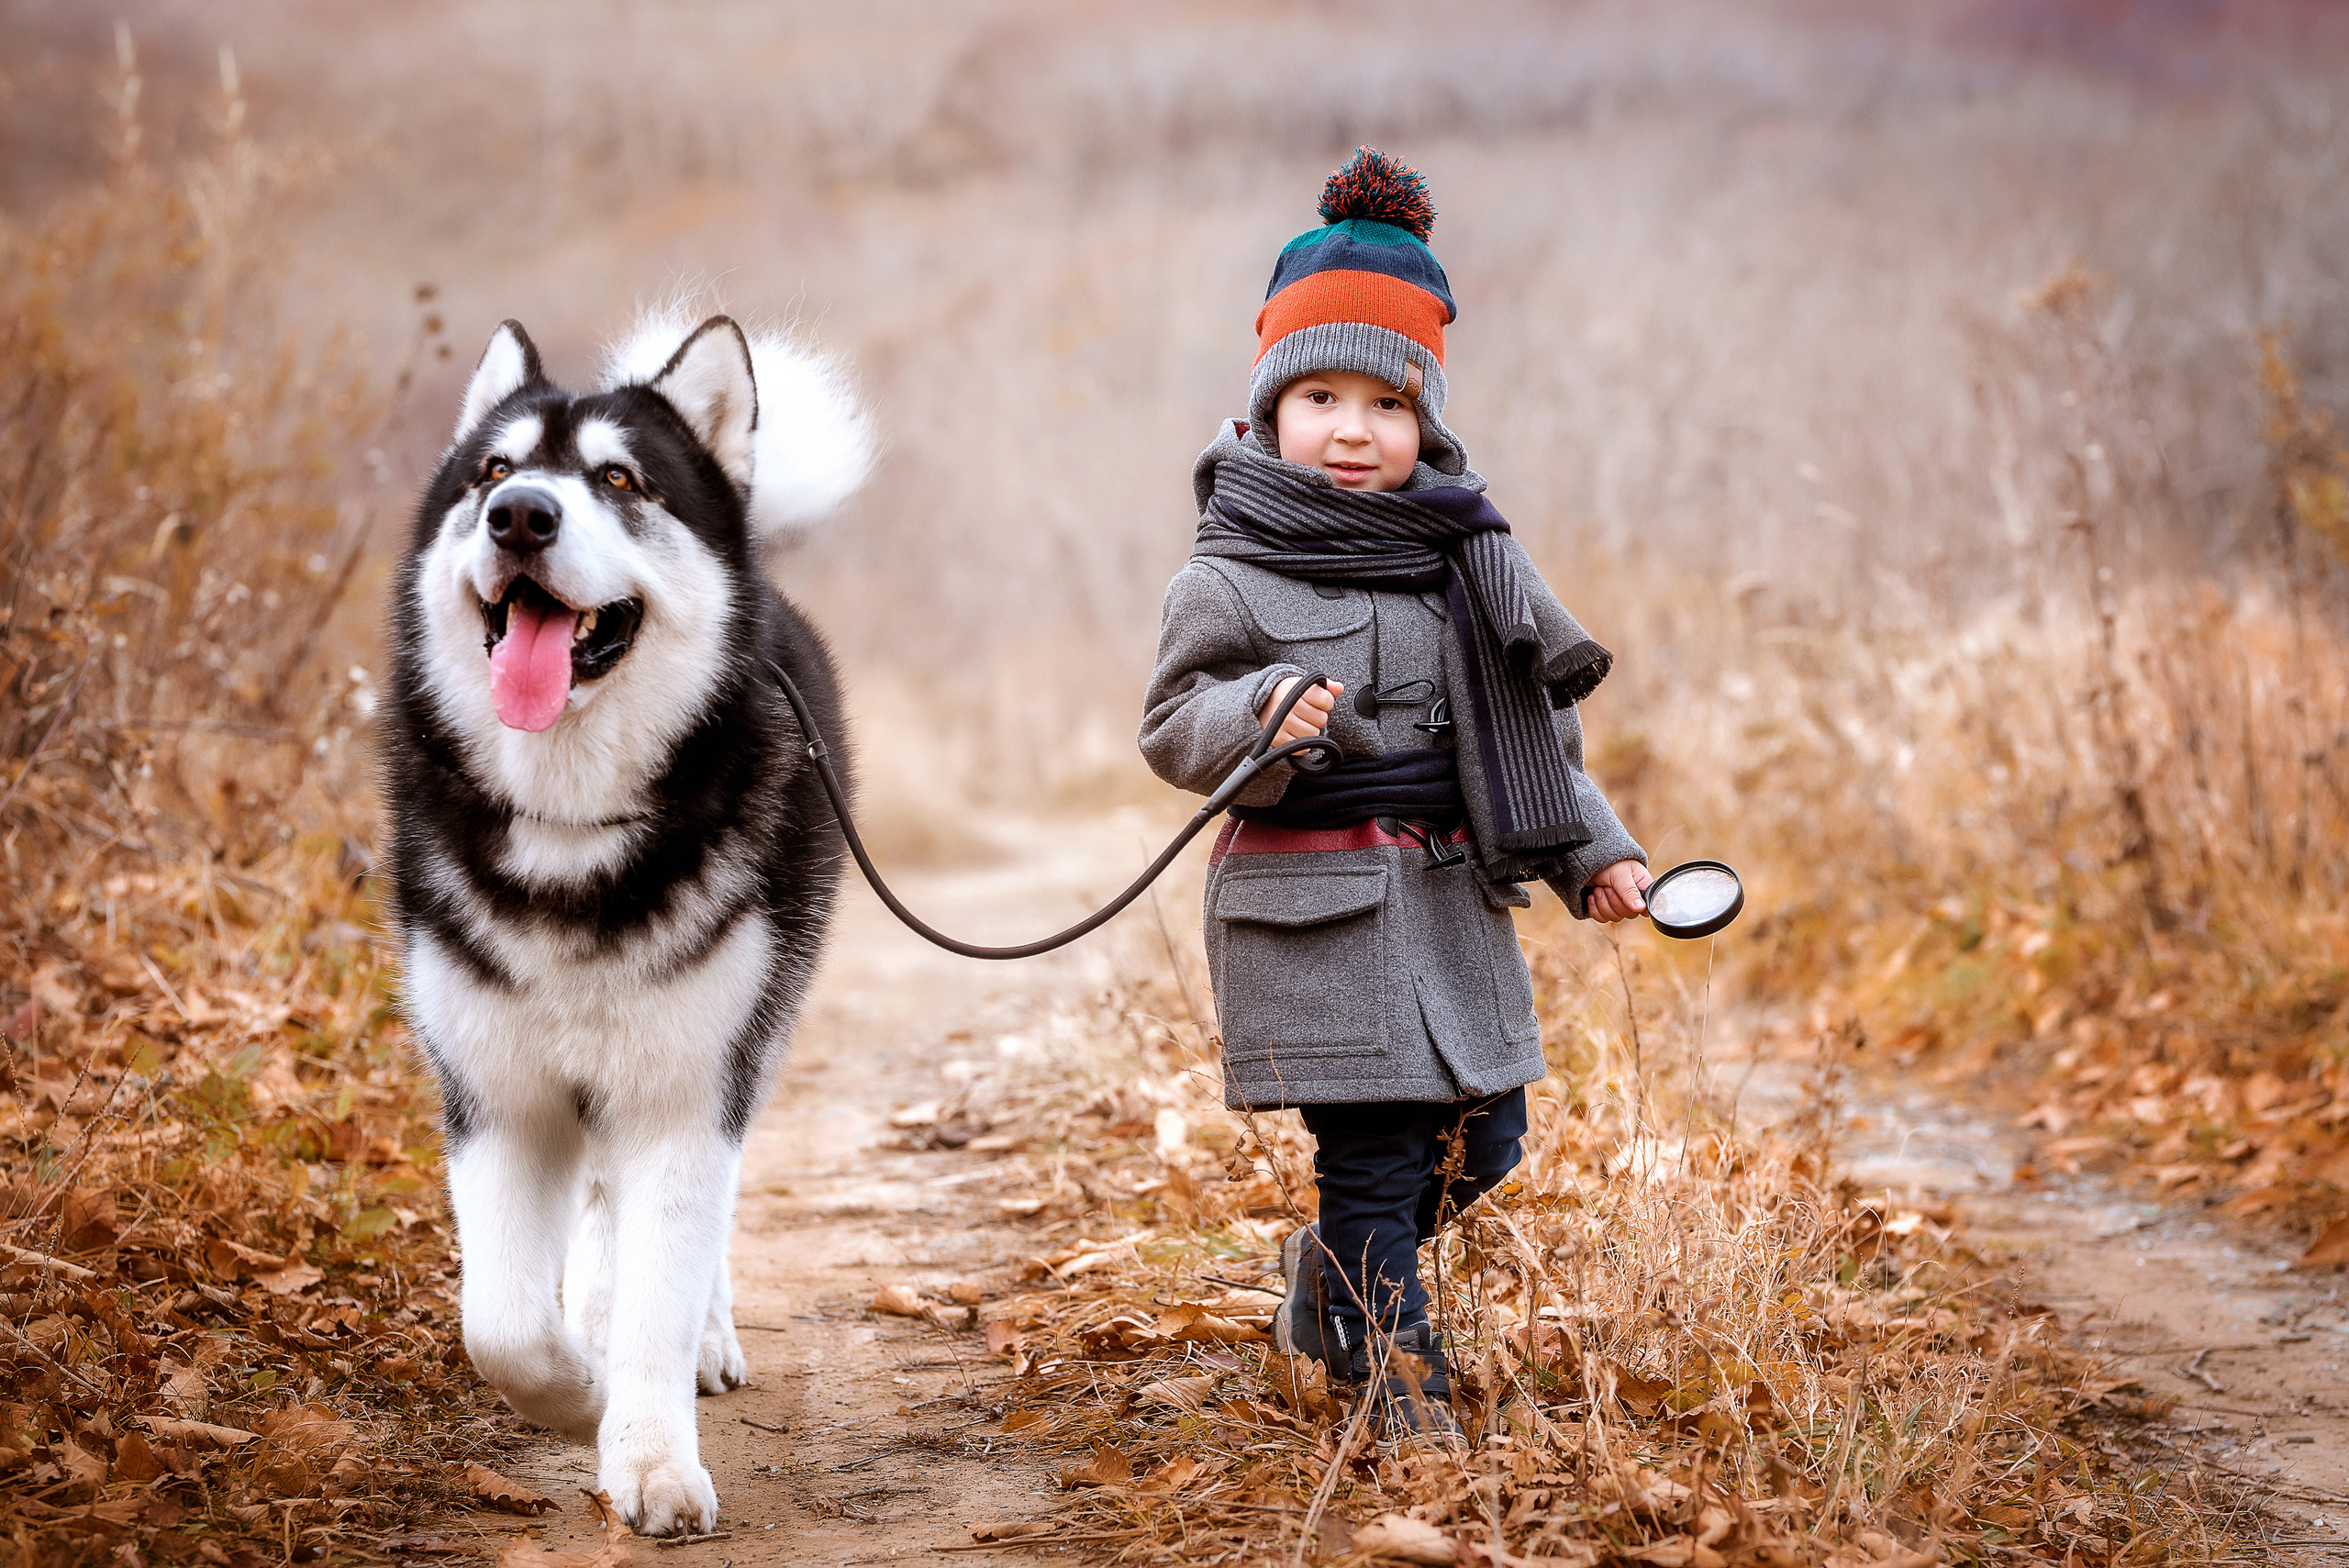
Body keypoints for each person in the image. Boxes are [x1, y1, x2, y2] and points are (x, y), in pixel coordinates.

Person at [1138, 148, 1651, 1446]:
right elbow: (1171, 723)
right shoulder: (1231, 572)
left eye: (1384, 401)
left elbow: (1538, 723)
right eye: (1319, 394)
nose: (1353, 428)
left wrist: (1594, 851)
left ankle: (1333, 1277)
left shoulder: (1466, 556)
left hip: (1449, 898)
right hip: (1318, 910)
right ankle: (1394, 1369)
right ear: (1264, 412)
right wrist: (1256, 715)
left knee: (1488, 1141)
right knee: (1372, 1154)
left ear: (1427, 419)